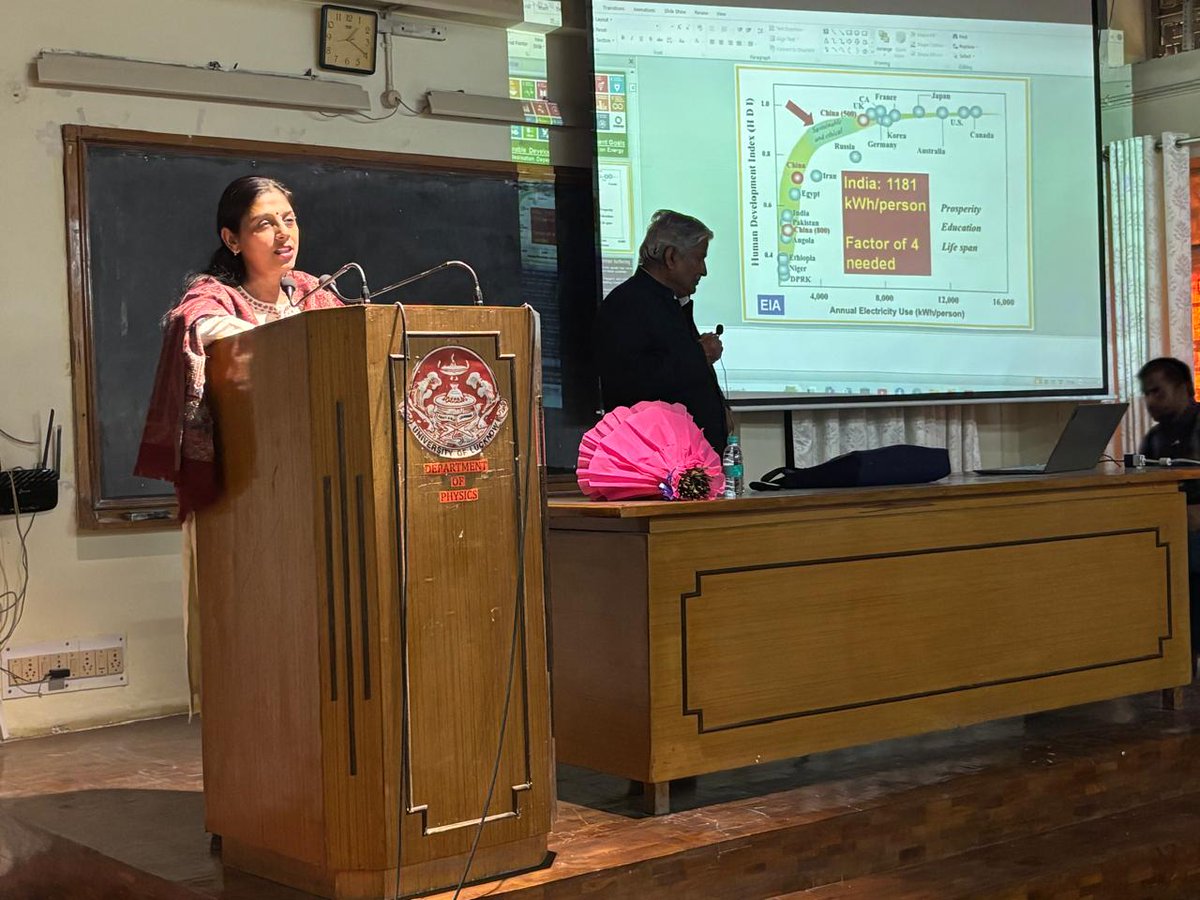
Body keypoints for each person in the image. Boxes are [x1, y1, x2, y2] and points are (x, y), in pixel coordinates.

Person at [134, 175, 343, 713]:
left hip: (316, 488)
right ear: (232, 239)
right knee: (257, 639)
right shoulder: (213, 296)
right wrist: (286, 337)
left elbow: (353, 344)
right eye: (264, 224)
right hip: (242, 491)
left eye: (288, 220)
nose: (282, 234)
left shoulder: (315, 293)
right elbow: (198, 327)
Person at [595, 209, 729, 453]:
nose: (704, 270)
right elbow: (633, 383)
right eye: (699, 258)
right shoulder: (629, 303)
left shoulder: (669, 301)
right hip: (658, 464)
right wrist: (699, 355)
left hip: (686, 462)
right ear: (671, 257)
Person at [1138, 356, 1200, 669]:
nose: (1150, 401)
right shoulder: (1154, 438)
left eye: (1157, 392)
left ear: (1184, 388)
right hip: (1170, 530)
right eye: (1146, 394)